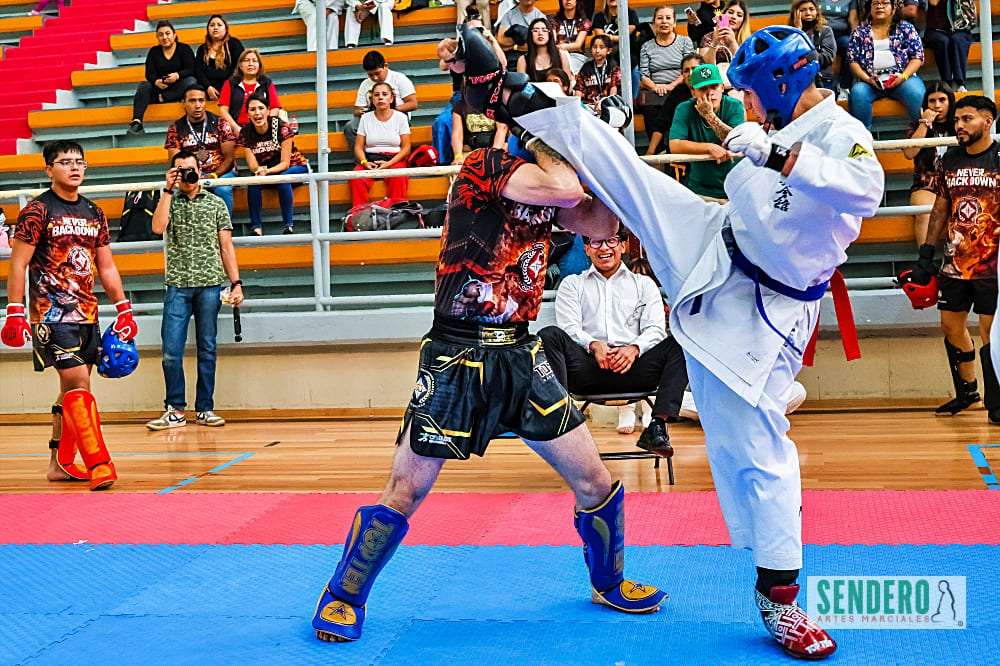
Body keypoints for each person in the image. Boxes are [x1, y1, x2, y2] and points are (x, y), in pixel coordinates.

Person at [471, 22, 884, 659]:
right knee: (634, 180)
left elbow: (868, 189)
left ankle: (779, 597)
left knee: (755, 447)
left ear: (782, 84)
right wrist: (762, 146)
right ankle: (516, 94)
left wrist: (778, 155)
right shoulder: (775, 126)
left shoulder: (838, 133)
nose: (745, 103)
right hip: (715, 239)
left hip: (760, 308)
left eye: (751, 92)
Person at [310, 75, 667, 643]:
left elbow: (601, 224)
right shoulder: (486, 165)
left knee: (595, 479)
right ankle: (343, 595)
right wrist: (554, 136)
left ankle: (609, 581)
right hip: (457, 352)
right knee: (406, 489)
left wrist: (605, 146)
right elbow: (563, 188)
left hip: (521, 352)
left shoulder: (554, 189)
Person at [1, 140, 138, 491]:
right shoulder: (37, 210)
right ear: (49, 169)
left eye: (80, 162)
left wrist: (123, 307)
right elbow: (18, 263)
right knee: (78, 384)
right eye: (65, 162)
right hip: (50, 314)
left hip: (87, 313)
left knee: (72, 391)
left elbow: (106, 266)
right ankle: (100, 463)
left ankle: (59, 463)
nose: (74, 167)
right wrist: (14, 310)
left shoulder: (95, 212)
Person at [538, 230, 688, 454]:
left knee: (682, 341)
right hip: (588, 370)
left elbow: (656, 329)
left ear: (623, 246)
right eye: (596, 242)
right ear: (587, 249)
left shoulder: (643, 284)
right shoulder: (572, 284)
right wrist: (593, 345)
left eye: (611, 241)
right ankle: (563, 424)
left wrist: (634, 348)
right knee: (550, 334)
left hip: (635, 369)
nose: (604, 248)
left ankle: (657, 426)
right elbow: (569, 327)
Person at [907, 96, 1000, 422]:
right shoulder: (950, 159)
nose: (959, 125)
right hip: (956, 262)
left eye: (967, 119)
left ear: (987, 121)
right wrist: (926, 253)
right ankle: (968, 391)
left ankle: (997, 401)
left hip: (992, 265)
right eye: (957, 119)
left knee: (991, 334)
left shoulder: (998, 158)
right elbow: (941, 207)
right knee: (950, 325)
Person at [146, 150, 243, 431]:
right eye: (181, 170)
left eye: (191, 169)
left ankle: (205, 409)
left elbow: (226, 247)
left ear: (200, 170)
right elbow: (157, 228)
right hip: (177, 285)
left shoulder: (215, 203)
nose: (188, 174)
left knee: (207, 348)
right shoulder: (169, 201)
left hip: (210, 285)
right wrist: (167, 189)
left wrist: (236, 283)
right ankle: (175, 409)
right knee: (171, 351)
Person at [668, 63, 745, 202]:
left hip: (735, 187)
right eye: (703, 88)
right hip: (700, 189)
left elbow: (736, 142)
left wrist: (709, 116)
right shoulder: (684, 108)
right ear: (693, 92)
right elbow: (675, 145)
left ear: (722, 87)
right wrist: (709, 147)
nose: (710, 93)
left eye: (714, 86)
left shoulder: (735, 106)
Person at [847, 0, 925, 130]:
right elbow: (852, 61)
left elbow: (917, 57)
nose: (880, 6)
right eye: (875, 3)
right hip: (871, 82)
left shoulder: (906, 28)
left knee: (915, 93)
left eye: (885, 3)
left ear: (893, 8)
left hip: (902, 79)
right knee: (858, 93)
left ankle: (921, 130)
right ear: (870, 8)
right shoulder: (859, 32)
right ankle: (863, 137)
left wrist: (903, 76)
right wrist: (867, 79)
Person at [239, 94, 312, 235]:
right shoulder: (245, 132)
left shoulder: (281, 127)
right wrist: (260, 171)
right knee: (253, 183)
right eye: (252, 109)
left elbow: (285, 163)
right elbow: (252, 165)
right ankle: (256, 227)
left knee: (282, 179)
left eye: (261, 108)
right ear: (248, 114)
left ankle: (288, 225)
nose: (257, 113)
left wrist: (267, 172)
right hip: (268, 171)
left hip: (295, 167)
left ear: (268, 110)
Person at [164, 85, 238, 217]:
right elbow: (175, 161)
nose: (198, 105)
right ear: (183, 103)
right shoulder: (175, 128)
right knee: (175, 193)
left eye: (201, 100)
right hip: (189, 175)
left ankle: (225, 227)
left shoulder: (220, 123)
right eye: (192, 101)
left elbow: (229, 158)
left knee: (223, 189)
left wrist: (214, 175)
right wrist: (193, 176)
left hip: (221, 173)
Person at [902, 81, 954, 245]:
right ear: (926, 104)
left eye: (942, 100)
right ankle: (925, 258)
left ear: (950, 102)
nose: (937, 105)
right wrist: (924, 124)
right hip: (926, 184)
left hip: (956, 181)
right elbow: (909, 153)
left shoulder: (960, 124)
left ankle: (955, 257)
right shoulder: (917, 125)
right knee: (926, 212)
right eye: (932, 101)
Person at [128, 21, 197, 135]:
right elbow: (149, 73)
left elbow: (191, 69)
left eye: (167, 33)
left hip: (179, 86)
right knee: (144, 85)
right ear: (157, 37)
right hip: (161, 87)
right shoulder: (154, 51)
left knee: (191, 81)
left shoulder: (184, 48)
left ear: (174, 35)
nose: (164, 37)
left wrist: (177, 75)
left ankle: (163, 98)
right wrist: (156, 81)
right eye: (161, 35)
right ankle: (137, 120)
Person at [638, 6, 695, 144]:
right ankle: (656, 151)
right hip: (655, 91)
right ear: (653, 23)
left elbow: (689, 70)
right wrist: (655, 87)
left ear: (674, 23)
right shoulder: (646, 46)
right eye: (660, 18)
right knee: (650, 110)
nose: (664, 21)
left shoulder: (685, 42)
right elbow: (644, 75)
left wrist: (671, 86)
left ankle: (677, 145)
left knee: (680, 102)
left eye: (668, 18)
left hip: (681, 88)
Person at [350, 82, 411, 208]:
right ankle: (359, 213)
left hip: (394, 159)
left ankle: (397, 212)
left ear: (391, 98)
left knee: (398, 176)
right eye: (376, 95)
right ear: (372, 100)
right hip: (370, 159)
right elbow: (358, 147)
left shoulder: (401, 117)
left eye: (384, 94)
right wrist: (364, 162)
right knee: (356, 177)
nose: (380, 97)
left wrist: (389, 164)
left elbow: (406, 148)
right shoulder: (365, 118)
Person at [344, 51, 418, 154]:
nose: (375, 78)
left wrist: (390, 110)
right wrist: (361, 112)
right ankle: (362, 159)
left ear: (385, 66)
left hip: (396, 116)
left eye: (377, 73)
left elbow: (413, 104)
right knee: (350, 127)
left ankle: (397, 157)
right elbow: (357, 109)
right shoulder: (365, 84)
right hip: (371, 117)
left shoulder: (399, 79)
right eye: (370, 75)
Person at [645, 52, 703, 156]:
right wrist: (650, 152)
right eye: (686, 71)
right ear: (682, 75)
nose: (690, 73)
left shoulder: (714, 92)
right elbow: (661, 123)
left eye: (694, 69)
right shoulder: (678, 93)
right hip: (682, 149)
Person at [218, 49, 282, 135]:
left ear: (259, 65)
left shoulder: (266, 82)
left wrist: (265, 126)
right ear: (240, 65)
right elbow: (223, 110)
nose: (251, 64)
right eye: (247, 60)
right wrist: (236, 128)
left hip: (262, 127)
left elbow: (275, 108)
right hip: (237, 127)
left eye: (254, 61)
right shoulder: (230, 83)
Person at [923, 0, 978, 92]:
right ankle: (947, 83)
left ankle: (960, 83)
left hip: (959, 29)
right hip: (936, 30)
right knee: (943, 42)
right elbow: (933, 2)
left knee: (958, 40)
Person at [789, 0, 838, 91]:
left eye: (811, 9)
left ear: (817, 12)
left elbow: (828, 57)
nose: (808, 13)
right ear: (795, 14)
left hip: (821, 79)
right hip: (798, 81)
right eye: (802, 10)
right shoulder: (789, 34)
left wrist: (806, 59)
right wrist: (798, 31)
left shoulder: (826, 31)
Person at [194, 15, 244, 101]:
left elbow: (239, 67)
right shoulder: (202, 49)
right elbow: (198, 71)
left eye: (219, 25)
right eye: (212, 25)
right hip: (209, 88)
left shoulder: (234, 43)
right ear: (208, 29)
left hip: (230, 85)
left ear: (226, 28)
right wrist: (208, 87)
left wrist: (227, 86)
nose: (215, 28)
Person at [820, 0, 862, 99]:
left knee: (849, 46)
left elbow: (853, 19)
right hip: (822, 34)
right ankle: (822, 85)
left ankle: (844, 86)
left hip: (841, 35)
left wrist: (855, 38)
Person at [517, 18, 573, 83]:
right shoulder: (523, 60)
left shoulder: (561, 55)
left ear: (550, 33)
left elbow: (568, 84)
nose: (540, 33)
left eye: (544, 30)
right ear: (530, 35)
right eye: (535, 30)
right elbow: (520, 86)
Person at [574, 34, 621, 112]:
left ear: (609, 50)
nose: (597, 50)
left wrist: (605, 105)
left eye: (601, 47)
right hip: (588, 107)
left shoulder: (613, 66)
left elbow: (614, 89)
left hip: (608, 106)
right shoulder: (586, 67)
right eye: (594, 47)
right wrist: (577, 106)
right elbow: (579, 90)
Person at [699, 0, 751, 69]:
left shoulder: (748, 40)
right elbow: (706, 68)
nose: (734, 17)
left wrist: (732, 43)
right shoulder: (708, 37)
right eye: (730, 12)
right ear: (723, 14)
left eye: (739, 15)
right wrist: (714, 43)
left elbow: (746, 66)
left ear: (743, 21)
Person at [497, 0, 547, 65]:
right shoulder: (508, 15)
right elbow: (501, 40)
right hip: (513, 62)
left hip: (535, 61)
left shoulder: (541, 17)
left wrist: (513, 46)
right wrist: (523, 42)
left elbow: (540, 45)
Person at [550, 0, 591, 74]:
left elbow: (577, 45)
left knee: (570, 71)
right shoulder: (554, 20)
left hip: (577, 56)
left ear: (577, 1)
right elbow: (553, 42)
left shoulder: (584, 21)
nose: (568, 0)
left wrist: (560, 46)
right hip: (558, 55)